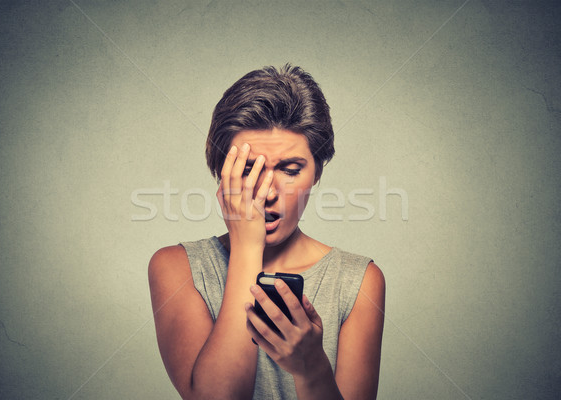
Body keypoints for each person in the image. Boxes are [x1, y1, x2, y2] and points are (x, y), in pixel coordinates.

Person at [149, 64, 385, 399]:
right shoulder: (176, 268)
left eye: (290, 170)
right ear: (221, 171)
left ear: (317, 173)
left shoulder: (358, 281)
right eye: (248, 169)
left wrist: (312, 370)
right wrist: (247, 248)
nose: (269, 191)